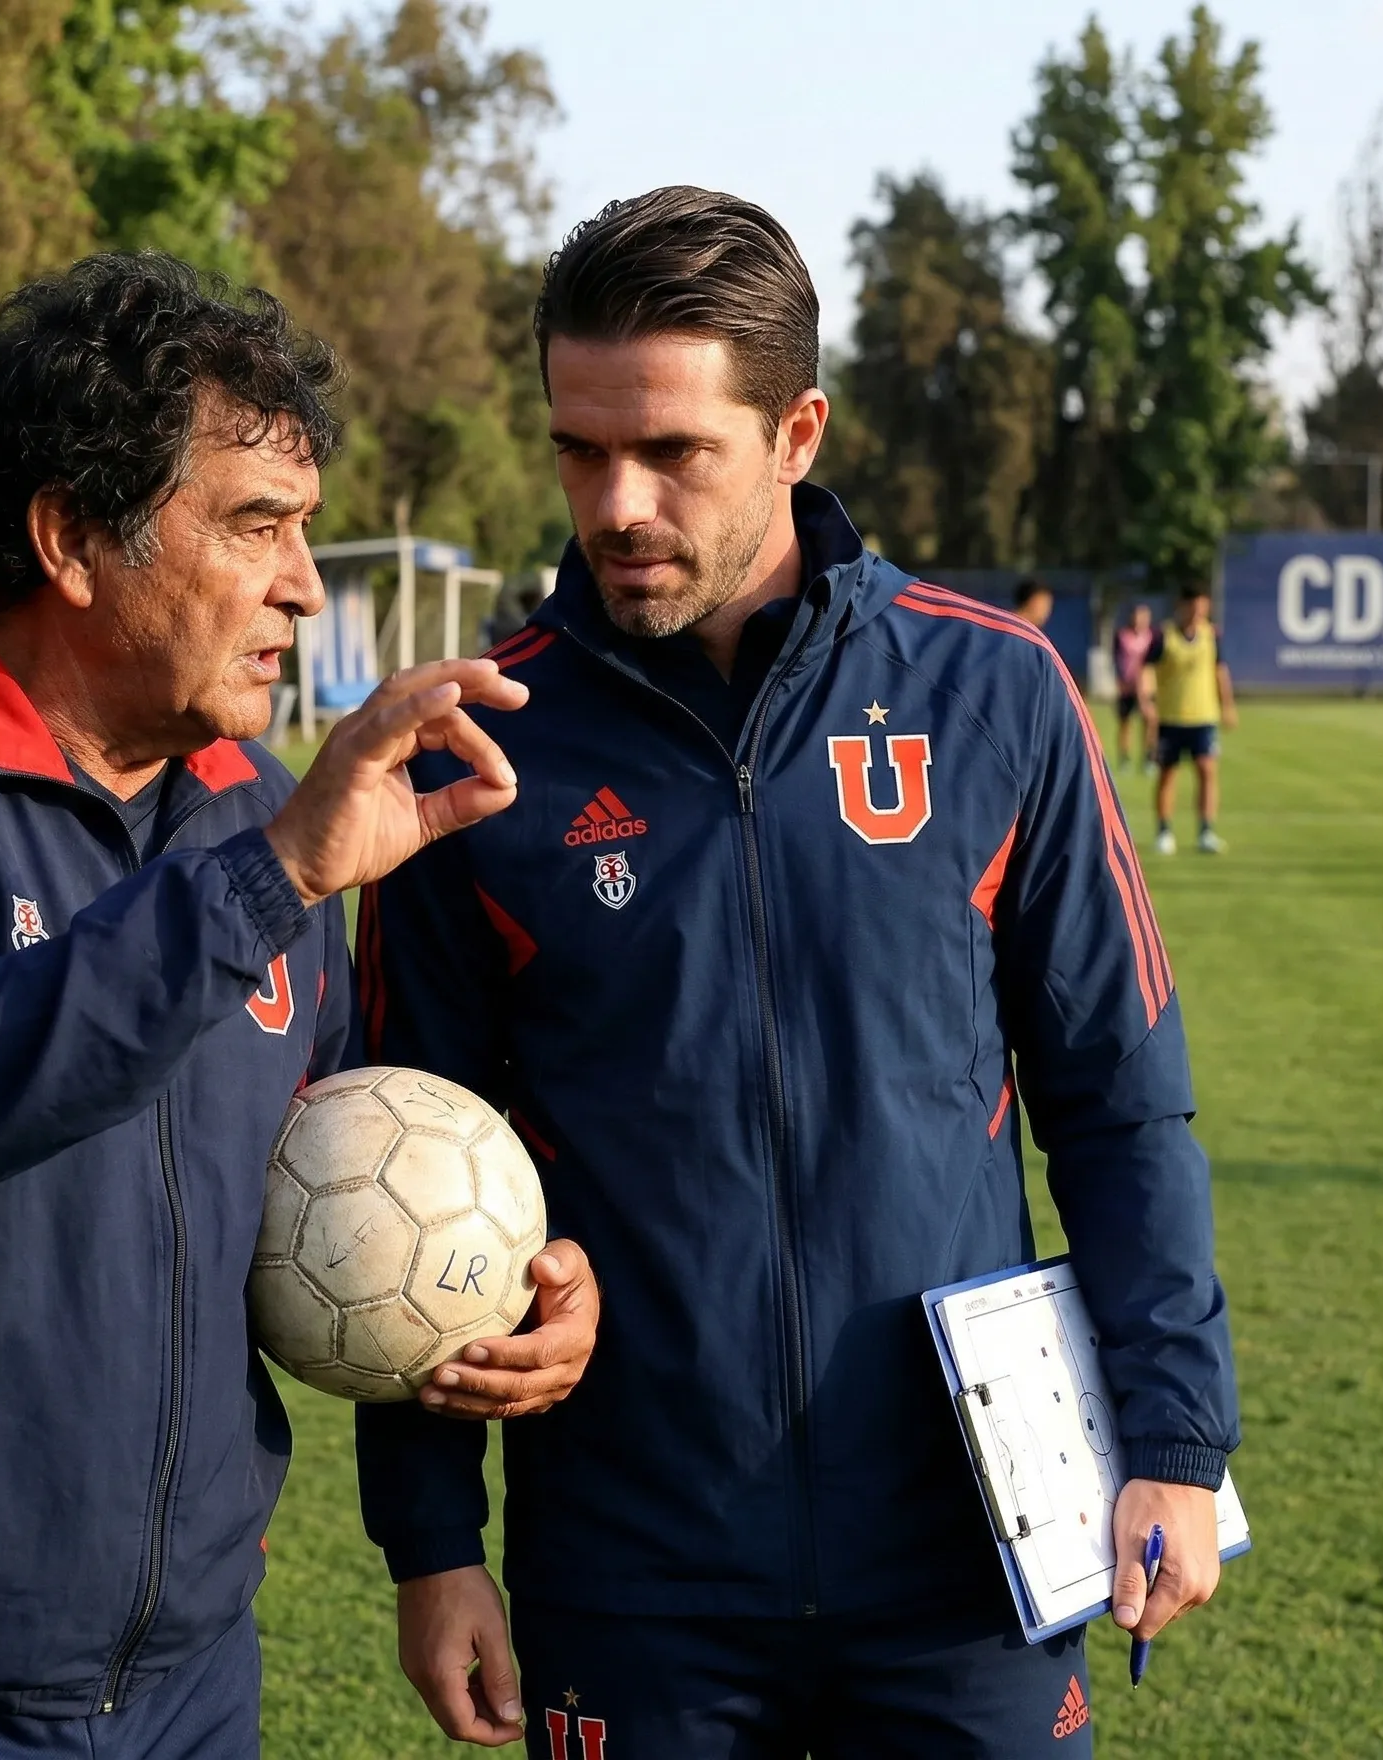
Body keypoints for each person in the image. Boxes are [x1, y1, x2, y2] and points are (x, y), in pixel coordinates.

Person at [0, 255, 598, 1760]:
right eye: (255, 526)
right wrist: (275, 877)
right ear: (71, 537)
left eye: (307, 532)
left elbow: (338, 1178)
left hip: (184, 1683)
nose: (302, 583)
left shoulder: (252, 817)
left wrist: (498, 1298)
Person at [357, 188, 1234, 1760]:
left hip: (968, 1558)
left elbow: (1120, 1108)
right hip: (633, 1569)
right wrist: (431, 1544)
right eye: (579, 448)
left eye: (674, 451)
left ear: (797, 432)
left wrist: (1171, 1433)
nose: (616, 503)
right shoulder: (477, 752)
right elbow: (396, 1174)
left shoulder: (995, 693)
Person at [1147, 585, 1236, 854]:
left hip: (1204, 717)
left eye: (1203, 607)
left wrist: (1228, 704)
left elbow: (1220, 671)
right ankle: (1164, 831)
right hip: (1171, 717)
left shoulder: (1211, 636)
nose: (1198, 612)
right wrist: (1148, 701)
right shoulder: (1165, 636)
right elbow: (1147, 670)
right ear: (1182, 606)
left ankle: (1206, 831)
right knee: (1167, 775)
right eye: (1194, 606)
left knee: (1207, 772)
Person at [1113, 601, 1159, 770]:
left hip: (1146, 687)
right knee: (1126, 723)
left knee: (1150, 720)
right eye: (1138, 615)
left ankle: (1149, 757)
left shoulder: (1153, 636)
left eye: (1145, 616)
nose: (1141, 619)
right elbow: (1116, 660)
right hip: (1127, 686)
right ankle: (1124, 758)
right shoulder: (1122, 635)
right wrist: (1119, 681)